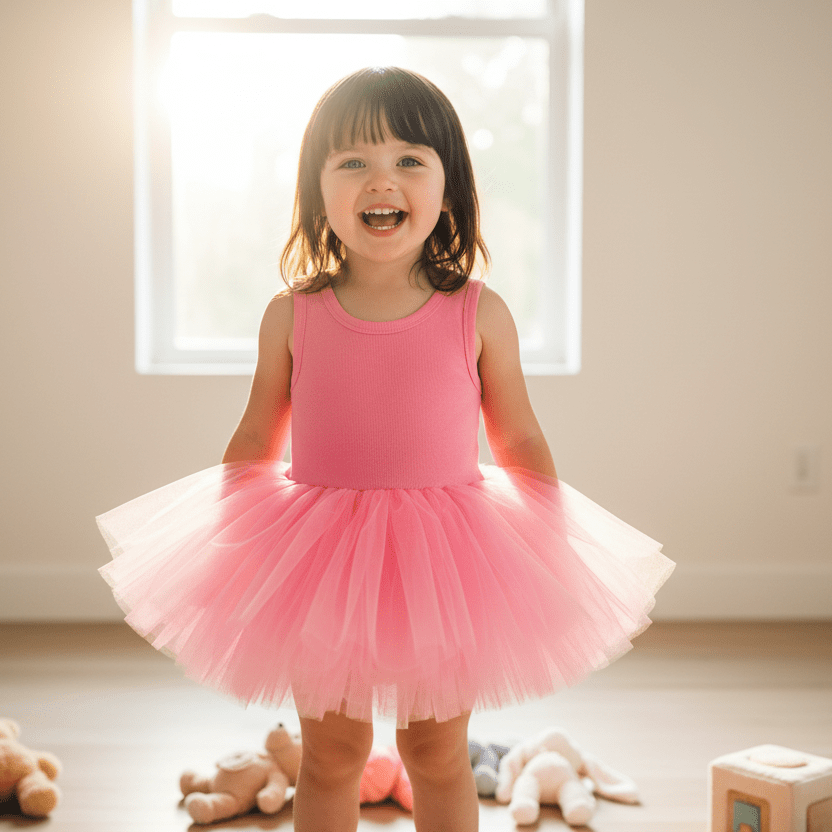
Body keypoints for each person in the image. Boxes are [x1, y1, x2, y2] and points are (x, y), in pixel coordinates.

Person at [97, 67, 674, 832]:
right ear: (318, 189)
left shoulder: (477, 309)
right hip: (320, 557)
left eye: (409, 159)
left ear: (448, 186)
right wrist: (228, 539)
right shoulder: (293, 313)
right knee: (331, 755)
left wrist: (550, 533)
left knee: (437, 752)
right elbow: (255, 434)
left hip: (448, 558)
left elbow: (520, 434)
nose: (383, 180)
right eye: (353, 162)